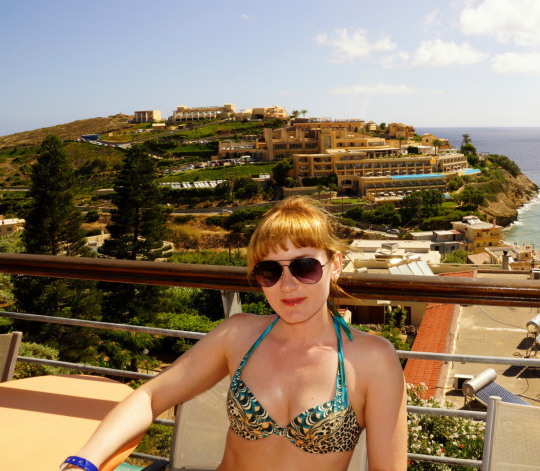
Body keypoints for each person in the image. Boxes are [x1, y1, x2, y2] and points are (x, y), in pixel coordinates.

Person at [60, 196, 407, 471]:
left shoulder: (373, 360)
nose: (287, 285)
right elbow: (151, 397)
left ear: (335, 266)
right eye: (270, 271)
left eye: (304, 267)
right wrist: (83, 461)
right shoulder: (239, 335)